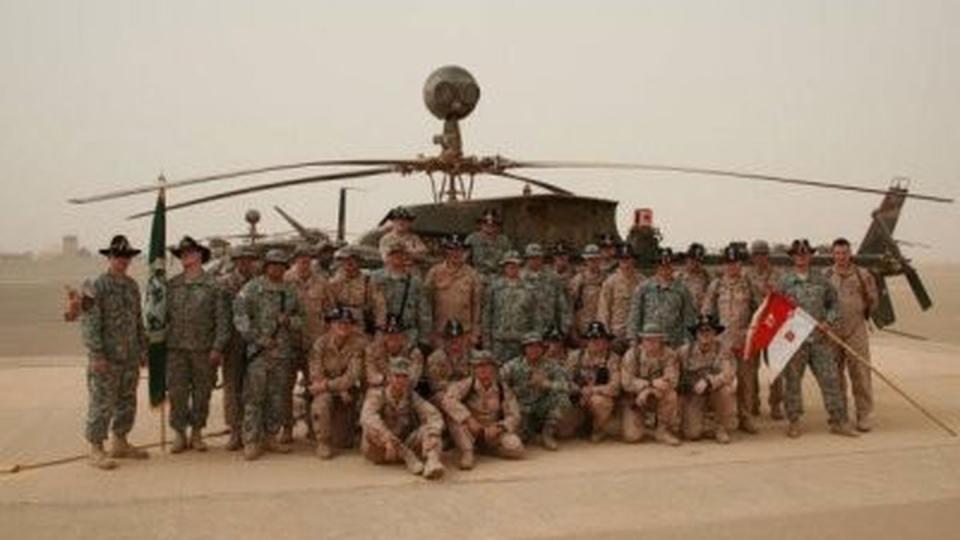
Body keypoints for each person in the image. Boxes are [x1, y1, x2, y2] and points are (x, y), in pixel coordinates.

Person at [80, 235, 151, 469]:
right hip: (107, 358)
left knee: (126, 401)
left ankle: (120, 442)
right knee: (102, 402)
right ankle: (96, 449)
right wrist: (97, 355)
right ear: (109, 258)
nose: (122, 261)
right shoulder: (95, 286)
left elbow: (138, 321)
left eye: (126, 257)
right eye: (118, 256)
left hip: (129, 357)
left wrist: (142, 349)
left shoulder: (131, 287)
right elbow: (90, 324)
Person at [778, 239, 858, 438]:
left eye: (805, 254)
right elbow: (776, 310)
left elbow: (834, 305)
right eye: (797, 255)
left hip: (820, 340)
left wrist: (828, 322)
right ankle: (794, 421)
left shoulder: (822, 280)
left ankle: (838, 421)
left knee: (830, 380)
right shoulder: (784, 282)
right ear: (792, 257)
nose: (801, 258)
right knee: (793, 383)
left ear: (810, 256)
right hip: (795, 342)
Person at [233, 249, 303, 460]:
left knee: (277, 397)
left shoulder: (290, 291)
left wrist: (289, 321)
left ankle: (271, 436)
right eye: (273, 265)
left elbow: (301, 319)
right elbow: (240, 317)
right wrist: (258, 339)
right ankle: (252, 440)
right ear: (266, 267)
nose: (277, 269)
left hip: (282, 354)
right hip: (259, 353)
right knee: (254, 397)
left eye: (282, 265)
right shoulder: (252, 288)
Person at [165, 236, 230, 453]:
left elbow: (222, 319)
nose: (186, 257)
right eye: (182, 254)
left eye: (190, 253)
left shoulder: (214, 286)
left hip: (204, 350)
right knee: (177, 393)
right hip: (176, 349)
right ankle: (179, 434)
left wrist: (218, 347)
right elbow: (162, 318)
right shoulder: (172, 286)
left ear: (200, 256)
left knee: (203, 393)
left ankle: (197, 433)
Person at [702, 243, 759, 434]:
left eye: (735, 263)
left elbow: (759, 310)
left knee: (746, 382)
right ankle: (720, 421)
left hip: (744, 340)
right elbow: (707, 313)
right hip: (722, 342)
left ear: (740, 264)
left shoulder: (749, 284)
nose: (731, 266)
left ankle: (746, 418)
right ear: (724, 265)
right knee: (722, 382)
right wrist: (709, 338)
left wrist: (752, 330)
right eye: (728, 263)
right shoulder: (716, 285)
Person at [824, 237, 879, 432]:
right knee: (835, 376)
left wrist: (858, 312)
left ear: (850, 254)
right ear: (833, 254)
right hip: (832, 332)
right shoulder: (826, 275)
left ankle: (863, 415)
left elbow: (873, 300)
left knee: (861, 373)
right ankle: (840, 416)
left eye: (844, 253)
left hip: (856, 330)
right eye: (837, 253)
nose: (841, 257)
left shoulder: (863, 276)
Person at [359, 357, 446, 479]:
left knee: (429, 430)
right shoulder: (377, 394)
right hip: (381, 450)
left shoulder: (411, 396)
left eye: (404, 376)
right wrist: (386, 438)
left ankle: (432, 462)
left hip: (404, 442)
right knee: (370, 428)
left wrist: (434, 433)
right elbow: (368, 417)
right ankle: (407, 456)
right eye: (397, 376)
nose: (401, 380)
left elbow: (432, 414)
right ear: (389, 377)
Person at [282, 244, 335, 443]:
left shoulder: (322, 282)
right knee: (285, 387)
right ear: (294, 260)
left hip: (314, 344)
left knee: (315, 387)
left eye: (308, 259)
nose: (305, 262)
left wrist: (327, 337)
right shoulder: (285, 280)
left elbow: (330, 311)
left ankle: (315, 428)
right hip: (289, 343)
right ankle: (287, 428)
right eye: (301, 259)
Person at [441, 350, 525, 470]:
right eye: (479, 366)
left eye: (487, 365)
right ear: (474, 369)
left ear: (493, 368)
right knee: (454, 418)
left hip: (492, 430)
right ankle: (467, 452)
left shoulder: (502, 388)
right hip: (471, 430)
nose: (483, 369)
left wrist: (500, 427)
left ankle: (486, 449)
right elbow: (448, 400)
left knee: (517, 449)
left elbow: (514, 414)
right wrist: (469, 419)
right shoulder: (466, 385)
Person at [218, 245, 260, 450]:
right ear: (235, 262)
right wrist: (220, 343)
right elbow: (221, 315)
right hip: (233, 340)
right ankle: (235, 430)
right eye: (241, 260)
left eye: (249, 259)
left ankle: (252, 430)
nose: (246, 263)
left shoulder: (259, 283)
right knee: (232, 386)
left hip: (255, 341)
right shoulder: (225, 283)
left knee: (254, 387)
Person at [499, 332, 572, 451]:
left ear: (542, 348)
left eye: (537, 346)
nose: (534, 350)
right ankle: (530, 434)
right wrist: (511, 392)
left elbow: (567, 386)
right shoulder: (513, 365)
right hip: (521, 407)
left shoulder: (551, 365)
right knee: (520, 438)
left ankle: (547, 434)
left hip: (541, 405)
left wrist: (547, 384)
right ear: (524, 349)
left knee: (561, 398)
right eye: (530, 346)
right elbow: (498, 381)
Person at [677, 315, 736, 444]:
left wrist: (709, 381)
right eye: (701, 331)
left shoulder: (723, 350)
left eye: (709, 330)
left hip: (715, 393)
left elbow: (728, 374)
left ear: (715, 333)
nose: (705, 334)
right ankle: (705, 423)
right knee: (692, 434)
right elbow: (676, 377)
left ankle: (721, 428)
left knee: (726, 390)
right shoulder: (684, 352)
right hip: (694, 394)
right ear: (696, 334)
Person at [620, 322, 681, 446]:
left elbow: (671, 380)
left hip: (657, 395)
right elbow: (626, 382)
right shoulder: (632, 355)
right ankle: (643, 424)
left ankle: (662, 430)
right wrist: (650, 384)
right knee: (632, 437)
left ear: (661, 340)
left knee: (671, 395)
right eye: (647, 339)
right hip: (635, 399)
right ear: (642, 340)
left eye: (655, 340)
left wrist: (649, 390)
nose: (651, 343)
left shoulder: (670, 355)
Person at [744, 239, 785, 419]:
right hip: (753, 326)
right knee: (751, 368)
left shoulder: (779, 275)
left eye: (763, 254)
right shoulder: (746, 275)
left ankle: (775, 404)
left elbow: (784, 298)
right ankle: (753, 403)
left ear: (768, 255)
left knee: (775, 368)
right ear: (752, 257)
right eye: (756, 254)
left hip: (773, 326)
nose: (759, 257)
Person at [628, 247, 697, 348]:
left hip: (674, 342)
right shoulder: (644, 288)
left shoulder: (682, 290)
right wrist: (632, 339)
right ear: (656, 266)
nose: (665, 269)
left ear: (673, 266)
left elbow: (688, 317)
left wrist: (688, 340)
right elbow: (635, 315)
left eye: (668, 265)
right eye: (661, 265)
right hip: (649, 341)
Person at [564, 321, 621, 442]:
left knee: (599, 402)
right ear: (586, 341)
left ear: (606, 341)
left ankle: (598, 428)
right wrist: (578, 390)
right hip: (578, 398)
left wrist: (593, 391)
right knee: (563, 431)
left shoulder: (613, 359)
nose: (595, 341)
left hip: (598, 399)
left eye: (599, 338)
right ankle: (582, 424)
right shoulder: (575, 356)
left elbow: (616, 387)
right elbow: (565, 379)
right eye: (591, 338)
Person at [424, 233, 483, 348]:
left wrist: (475, 331)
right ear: (446, 251)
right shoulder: (435, 272)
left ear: (464, 252)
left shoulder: (472, 274)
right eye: (451, 249)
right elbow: (426, 303)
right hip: (440, 331)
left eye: (459, 250)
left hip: (465, 332)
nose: (455, 253)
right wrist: (429, 330)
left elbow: (477, 304)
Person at [483, 250, 541, 363]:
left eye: (515, 265)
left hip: (521, 340)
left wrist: (534, 342)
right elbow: (487, 314)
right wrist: (487, 341)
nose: (512, 268)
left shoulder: (530, 289)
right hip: (499, 341)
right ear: (504, 267)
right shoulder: (494, 288)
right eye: (509, 265)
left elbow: (536, 317)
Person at [370, 241, 431, 350]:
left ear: (406, 256)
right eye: (393, 254)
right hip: (382, 333)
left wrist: (424, 338)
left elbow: (423, 311)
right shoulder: (375, 278)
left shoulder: (415, 281)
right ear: (387, 257)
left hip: (407, 333)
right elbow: (368, 305)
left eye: (401, 254)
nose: (397, 258)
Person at [329, 245, 386, 336]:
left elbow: (380, 307)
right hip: (339, 326)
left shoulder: (368, 281)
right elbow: (329, 306)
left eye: (353, 260)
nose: (349, 263)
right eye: (346, 260)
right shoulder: (334, 282)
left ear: (359, 262)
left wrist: (379, 330)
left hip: (360, 326)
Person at [597, 244, 642, 354]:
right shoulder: (610, 282)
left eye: (628, 259)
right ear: (618, 260)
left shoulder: (642, 281)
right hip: (617, 336)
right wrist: (606, 336)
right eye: (622, 259)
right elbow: (603, 311)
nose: (625, 262)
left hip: (637, 335)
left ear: (633, 260)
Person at [522, 243, 572, 336]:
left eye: (537, 257)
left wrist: (564, 328)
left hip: (549, 330)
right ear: (527, 259)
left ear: (542, 258)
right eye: (531, 258)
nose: (535, 260)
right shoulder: (520, 279)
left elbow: (562, 305)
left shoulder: (552, 278)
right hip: (526, 330)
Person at [364, 314, 425, 390]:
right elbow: (371, 376)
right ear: (384, 336)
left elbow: (413, 380)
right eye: (389, 336)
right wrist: (392, 380)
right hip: (379, 391)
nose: (393, 340)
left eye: (396, 336)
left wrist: (388, 380)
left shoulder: (413, 353)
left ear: (403, 336)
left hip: (405, 391)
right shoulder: (372, 350)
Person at [424, 319, 472, 405]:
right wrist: (457, 388)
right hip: (444, 394)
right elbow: (435, 385)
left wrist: (462, 389)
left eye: (458, 338)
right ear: (444, 340)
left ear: (463, 339)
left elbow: (474, 380)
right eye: (450, 339)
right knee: (446, 398)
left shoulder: (471, 356)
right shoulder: (435, 358)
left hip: (466, 393)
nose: (454, 343)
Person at [568, 244, 606, 346]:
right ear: (586, 260)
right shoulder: (578, 280)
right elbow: (570, 307)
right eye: (590, 260)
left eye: (596, 259)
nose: (593, 263)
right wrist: (573, 330)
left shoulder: (606, 279)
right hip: (583, 327)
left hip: (602, 326)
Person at [465, 209, 512, 282]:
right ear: (480, 225)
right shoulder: (472, 239)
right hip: (478, 277)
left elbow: (510, 260)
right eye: (486, 223)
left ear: (497, 226)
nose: (490, 226)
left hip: (499, 278)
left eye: (493, 224)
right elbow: (464, 260)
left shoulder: (504, 241)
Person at [677, 242, 712, 310]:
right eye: (692, 260)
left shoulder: (707, 278)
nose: (695, 263)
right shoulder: (677, 277)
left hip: (698, 316)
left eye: (698, 260)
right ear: (687, 259)